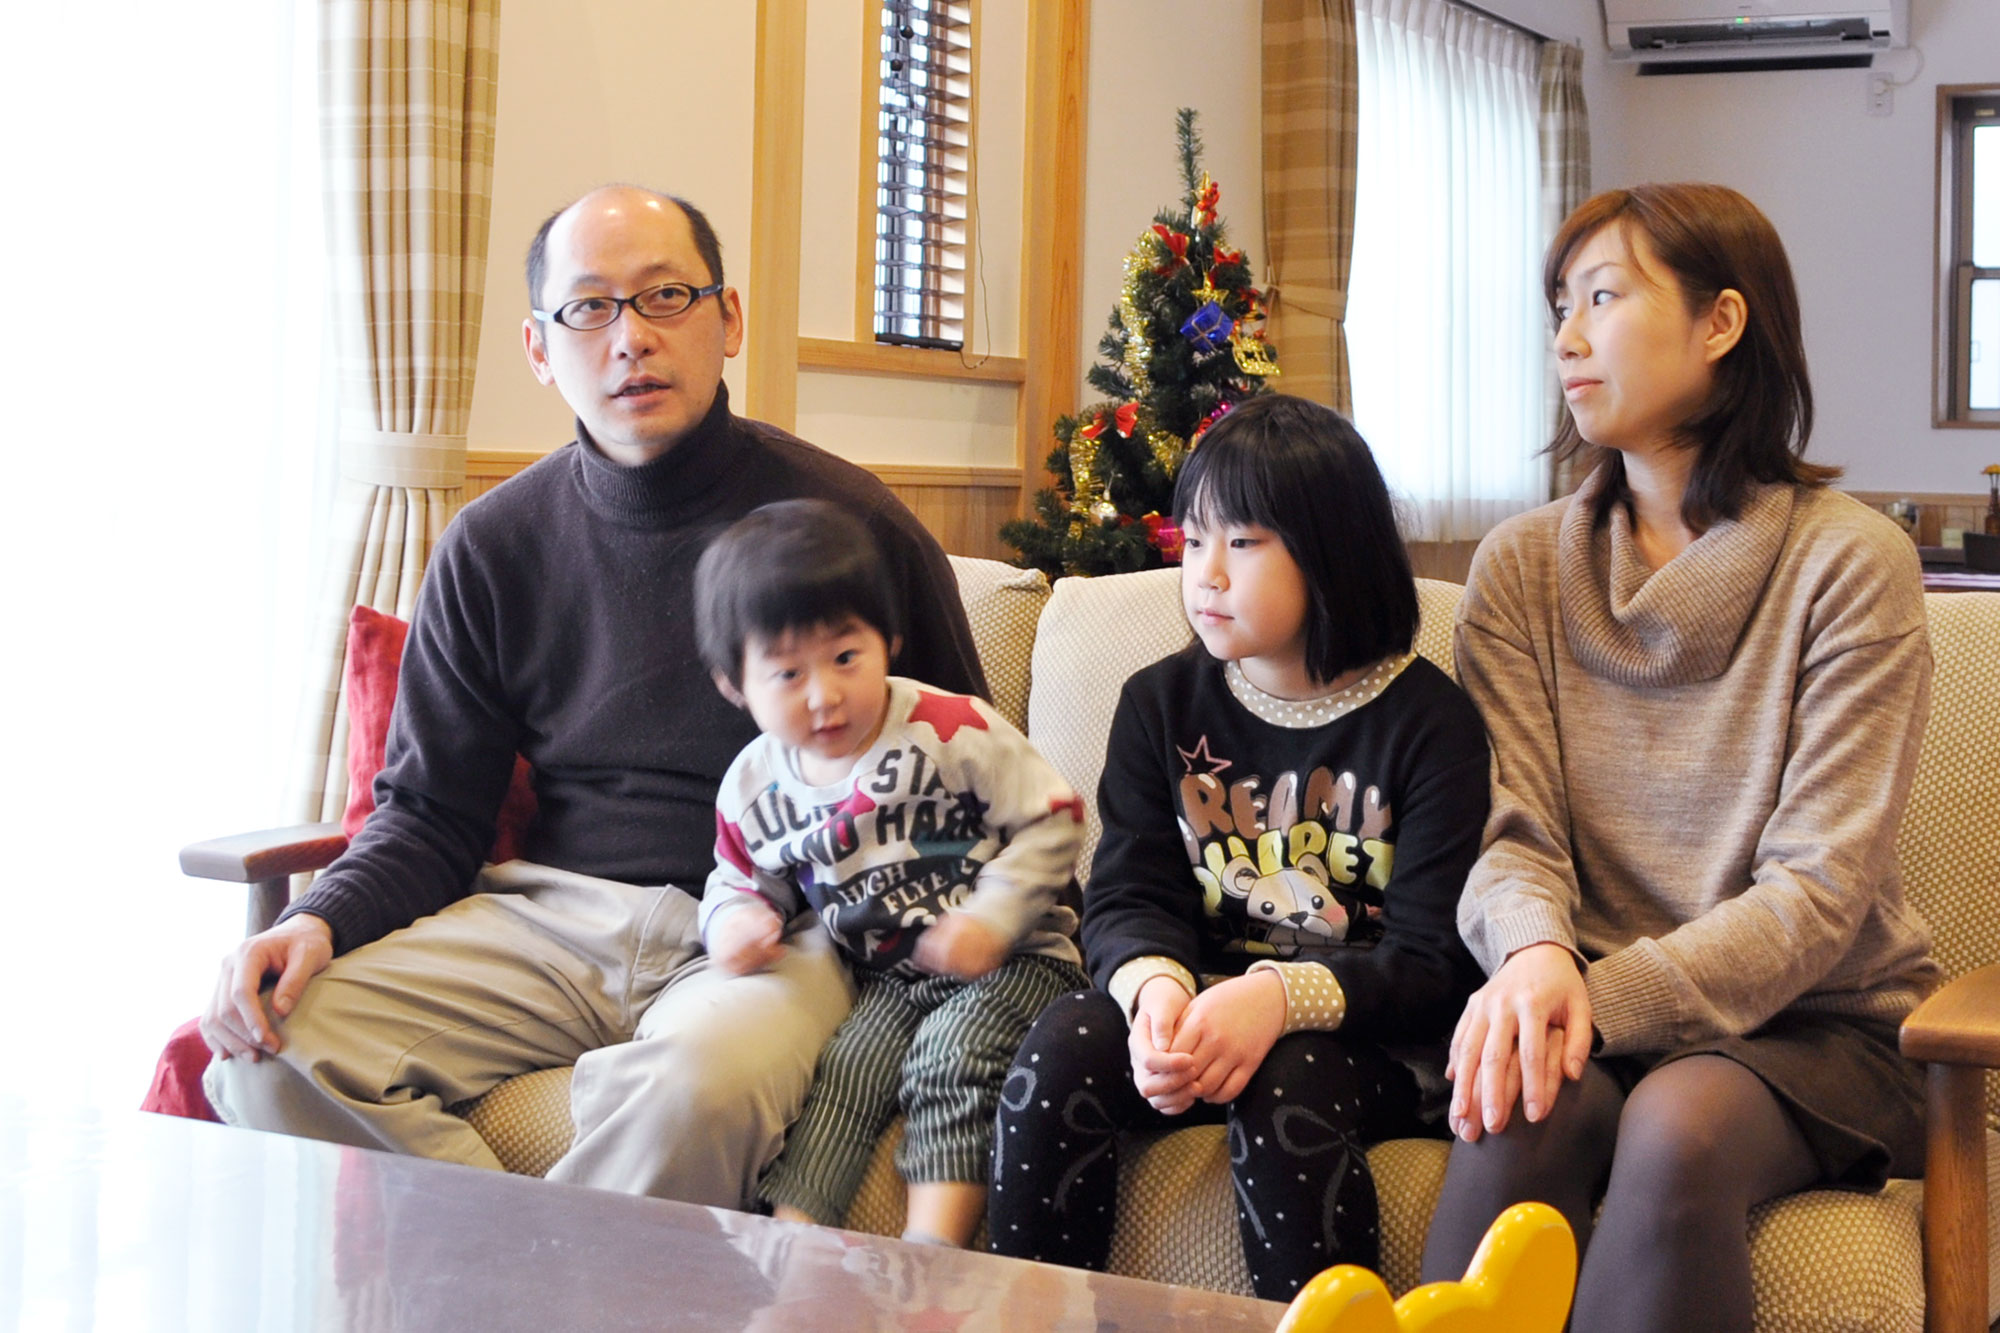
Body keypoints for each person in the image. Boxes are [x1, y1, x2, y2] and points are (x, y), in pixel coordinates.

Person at [198, 185, 987, 1208]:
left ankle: (514, 1281)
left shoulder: (849, 523)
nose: (630, 338)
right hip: (547, 918)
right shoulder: (493, 544)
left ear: (728, 318)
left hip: (767, 927)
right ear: (539, 347)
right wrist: (319, 920)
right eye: (589, 308)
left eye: (665, 296)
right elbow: (430, 812)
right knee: (268, 1050)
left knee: (697, 1090)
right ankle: (535, 1274)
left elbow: (965, 769)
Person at [1420, 183, 1938, 1332]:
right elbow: (1508, 831)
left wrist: (1586, 1001)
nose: (1566, 337)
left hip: (1818, 1026)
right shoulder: (1517, 567)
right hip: (1575, 995)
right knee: (1513, 1115)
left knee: (1676, 1125)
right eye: (1559, 306)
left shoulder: (1848, 564)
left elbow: (1815, 893)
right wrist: (1533, 959)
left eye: (1602, 298)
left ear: (1720, 322)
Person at [986, 394, 1490, 1300]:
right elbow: (1127, 894)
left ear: (1333, 550)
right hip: (1198, 1011)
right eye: (1194, 538)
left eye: (1244, 541)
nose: (1205, 573)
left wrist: (1276, 998)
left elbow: (1433, 961)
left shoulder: (1430, 723)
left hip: (1369, 1037)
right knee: (1063, 1046)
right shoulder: (1159, 704)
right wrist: (1155, 993)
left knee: (1288, 1081)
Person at [692, 499, 1088, 1247]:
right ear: (733, 683)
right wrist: (734, 921)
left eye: (846, 657)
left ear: (889, 640)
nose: (824, 694)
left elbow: (1058, 813)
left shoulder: (951, 726)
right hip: (887, 980)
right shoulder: (753, 785)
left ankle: (932, 1255)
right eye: (787, 672)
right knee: (842, 1076)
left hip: (1017, 962)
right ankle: (792, 1252)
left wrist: (993, 916)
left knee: (949, 1059)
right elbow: (738, 876)